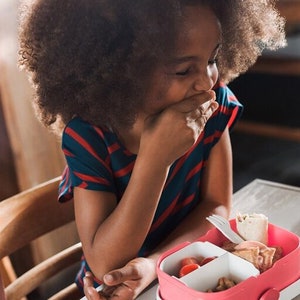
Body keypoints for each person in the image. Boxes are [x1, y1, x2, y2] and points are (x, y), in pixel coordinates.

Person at [18, 0, 286, 299]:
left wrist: (155, 264)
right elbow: (107, 262)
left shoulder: (212, 105)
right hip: (116, 286)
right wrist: (156, 159)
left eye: (212, 59)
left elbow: (216, 207)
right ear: (121, 72)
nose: (206, 82)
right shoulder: (90, 138)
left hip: (183, 268)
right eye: (184, 70)